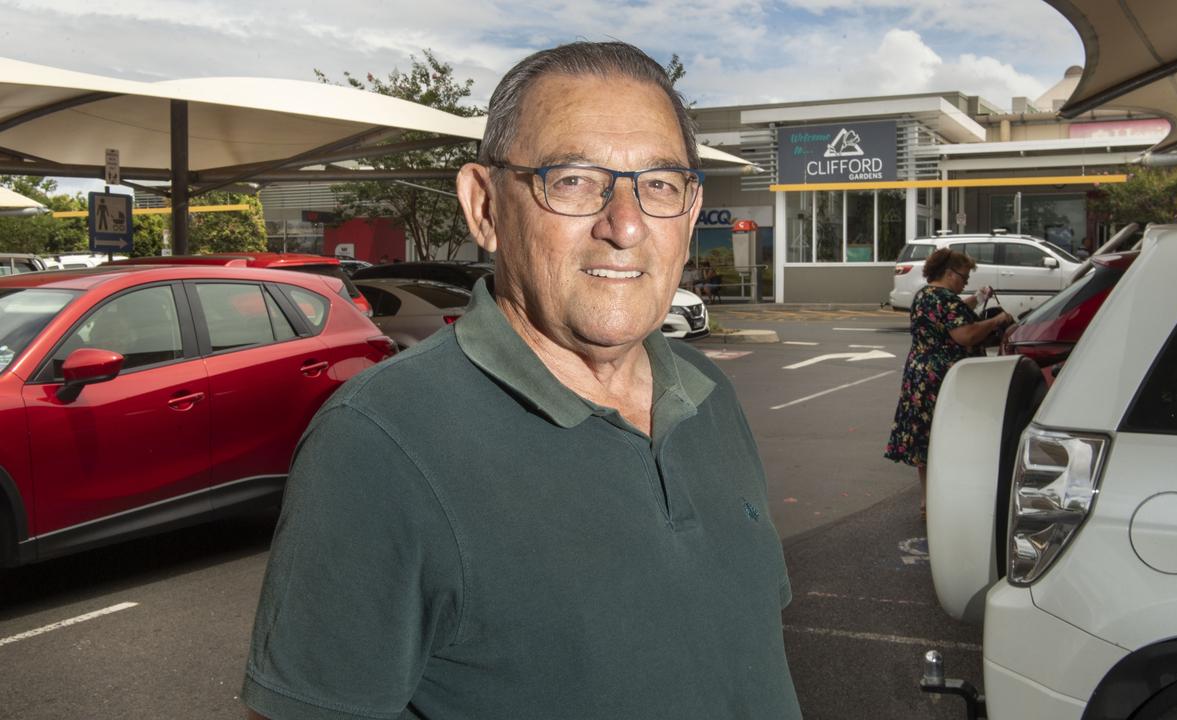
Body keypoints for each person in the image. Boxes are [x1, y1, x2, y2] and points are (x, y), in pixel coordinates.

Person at [242, 41, 800, 720]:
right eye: (572, 179)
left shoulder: (708, 395)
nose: (624, 225)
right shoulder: (378, 445)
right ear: (484, 208)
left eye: (658, 184)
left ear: (688, 212)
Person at [884, 247, 1013, 517]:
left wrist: (976, 299)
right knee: (945, 437)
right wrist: (998, 320)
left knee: (926, 438)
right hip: (942, 377)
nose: (965, 281)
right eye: (964, 277)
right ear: (949, 273)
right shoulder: (945, 299)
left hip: (919, 373)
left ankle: (927, 500)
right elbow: (965, 334)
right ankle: (942, 503)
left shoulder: (926, 295)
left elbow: (949, 314)